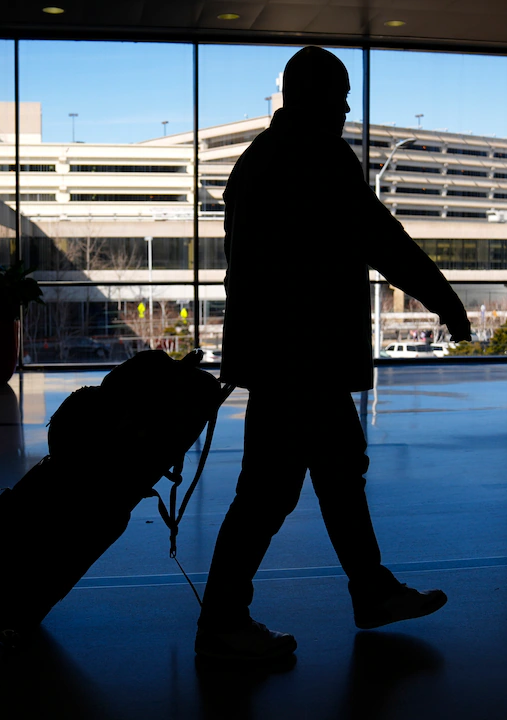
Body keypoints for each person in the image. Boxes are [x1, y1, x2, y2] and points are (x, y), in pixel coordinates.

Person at [196, 46, 472, 661]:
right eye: (340, 94)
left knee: (335, 475)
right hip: (304, 357)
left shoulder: (257, 160)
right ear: (313, 94)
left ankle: (370, 591)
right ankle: (222, 621)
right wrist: (444, 301)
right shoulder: (317, 155)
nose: (347, 107)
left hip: (279, 357)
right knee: (271, 492)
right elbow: (381, 238)